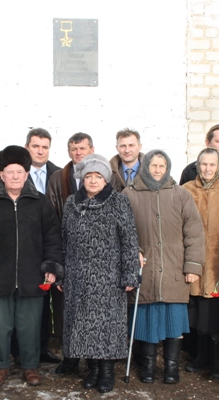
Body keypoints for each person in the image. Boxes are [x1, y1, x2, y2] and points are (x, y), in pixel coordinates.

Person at [0, 146, 63, 387]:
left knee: (29, 327)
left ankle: (30, 366)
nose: (15, 176)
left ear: (26, 173)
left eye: (20, 171)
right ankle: (0, 367)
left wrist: (51, 266)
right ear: (1, 174)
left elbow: (53, 237)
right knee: (1, 328)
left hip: (33, 278)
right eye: (9, 172)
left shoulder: (40, 203)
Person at [123, 149, 205, 384]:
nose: (157, 170)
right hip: (145, 269)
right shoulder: (130, 194)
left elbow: (194, 232)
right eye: (153, 166)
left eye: (162, 166)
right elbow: (124, 232)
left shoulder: (180, 194)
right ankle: (147, 366)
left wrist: (192, 266)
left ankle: (171, 367)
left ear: (167, 168)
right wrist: (134, 253)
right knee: (147, 319)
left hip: (174, 268)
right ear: (145, 167)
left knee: (173, 320)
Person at [61, 154, 141, 393]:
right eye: (88, 176)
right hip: (78, 275)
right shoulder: (71, 203)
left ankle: (106, 371)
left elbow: (129, 240)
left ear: (106, 179)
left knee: (106, 326)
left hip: (109, 276)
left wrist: (130, 274)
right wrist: (63, 273)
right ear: (82, 179)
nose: (93, 181)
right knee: (83, 325)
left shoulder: (118, 202)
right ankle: (93, 368)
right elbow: (64, 240)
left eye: (98, 176)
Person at [182, 147, 219, 378]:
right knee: (198, 312)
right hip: (197, 261)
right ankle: (201, 356)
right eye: (204, 164)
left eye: (212, 164)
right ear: (198, 165)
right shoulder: (186, 190)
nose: (208, 169)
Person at [45, 132, 94, 375]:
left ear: (91, 149)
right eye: (74, 149)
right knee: (67, 309)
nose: (78, 153)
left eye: (82, 148)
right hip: (68, 252)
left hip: (96, 255)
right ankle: (71, 357)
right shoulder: (57, 178)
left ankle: (95, 359)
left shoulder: (104, 175)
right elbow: (52, 218)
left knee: (93, 308)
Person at [13, 128, 62, 364]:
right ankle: (17, 349)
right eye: (36, 146)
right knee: (22, 299)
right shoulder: (15, 174)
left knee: (45, 301)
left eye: (44, 147)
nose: (40, 151)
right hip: (24, 247)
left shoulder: (59, 174)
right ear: (27, 148)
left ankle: (42, 348)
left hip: (49, 246)